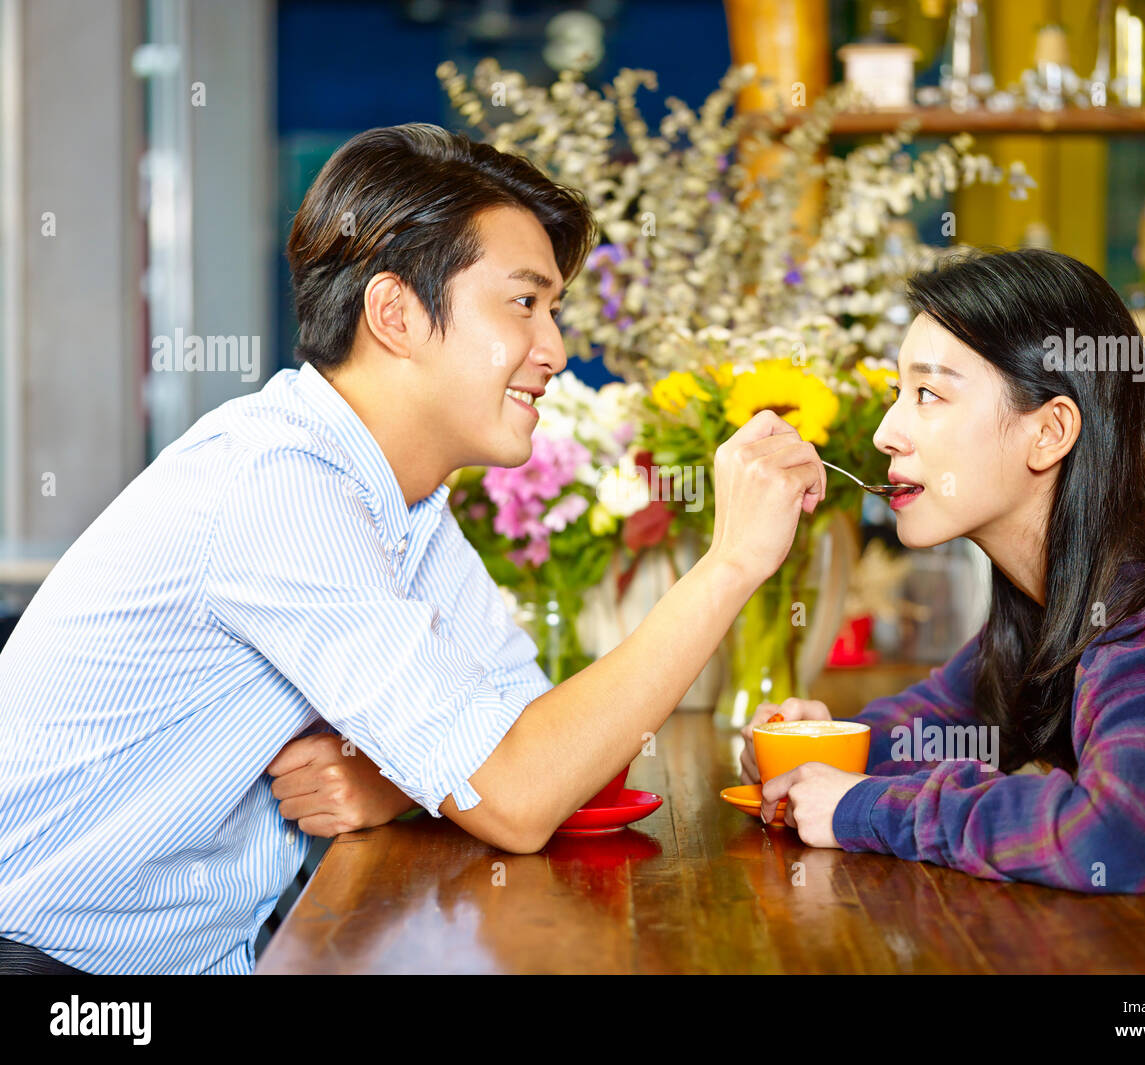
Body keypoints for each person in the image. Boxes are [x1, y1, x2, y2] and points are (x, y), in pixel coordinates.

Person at [0, 124, 826, 974]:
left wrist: (397, 779)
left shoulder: (404, 503)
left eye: (554, 310)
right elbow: (519, 796)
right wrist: (729, 563)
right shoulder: (279, 483)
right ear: (394, 313)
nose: (555, 351)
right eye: (523, 302)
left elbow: (553, 754)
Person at [741, 247, 1145, 976]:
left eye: (928, 395)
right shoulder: (1055, 603)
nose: (884, 432)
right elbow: (934, 730)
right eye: (896, 392)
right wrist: (816, 748)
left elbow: (1110, 834)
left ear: (1050, 431)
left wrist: (863, 808)